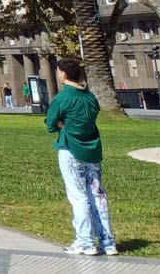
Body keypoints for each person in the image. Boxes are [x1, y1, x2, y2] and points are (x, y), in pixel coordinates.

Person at [46, 59, 117, 256]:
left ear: (63, 74)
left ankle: (85, 242)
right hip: (92, 151)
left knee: (79, 196)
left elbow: (51, 123)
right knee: (98, 196)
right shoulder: (90, 97)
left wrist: (61, 124)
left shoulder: (63, 98)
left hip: (71, 150)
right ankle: (108, 242)